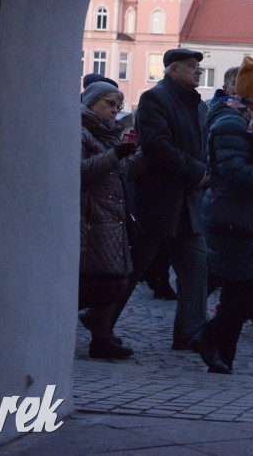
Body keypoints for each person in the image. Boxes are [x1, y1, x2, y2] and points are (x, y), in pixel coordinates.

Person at [190, 57, 253, 374]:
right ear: (250, 94)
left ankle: (223, 357)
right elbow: (235, 174)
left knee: (237, 286)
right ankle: (206, 336)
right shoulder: (230, 124)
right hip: (239, 218)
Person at [119, 48, 210, 351]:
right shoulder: (155, 98)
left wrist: (207, 170)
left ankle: (190, 334)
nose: (198, 71)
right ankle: (100, 320)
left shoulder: (199, 106)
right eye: (191, 66)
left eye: (198, 66)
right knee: (135, 268)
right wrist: (198, 171)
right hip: (158, 201)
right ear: (172, 70)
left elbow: (202, 146)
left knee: (195, 269)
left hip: (188, 203)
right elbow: (157, 147)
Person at [78, 82, 145, 359]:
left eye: (118, 105)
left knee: (116, 279)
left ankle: (101, 336)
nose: (114, 110)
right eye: (109, 103)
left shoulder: (111, 133)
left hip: (111, 218)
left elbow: (122, 172)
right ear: (92, 103)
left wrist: (138, 156)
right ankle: (98, 335)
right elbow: (78, 170)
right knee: (94, 281)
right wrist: (114, 156)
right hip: (91, 217)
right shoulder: (80, 130)